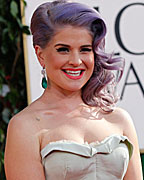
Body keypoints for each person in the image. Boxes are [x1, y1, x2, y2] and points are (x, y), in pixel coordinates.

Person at [4, 0, 143, 179]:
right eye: (63, 50)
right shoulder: (25, 126)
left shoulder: (119, 119)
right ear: (40, 55)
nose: (76, 61)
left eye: (85, 50)